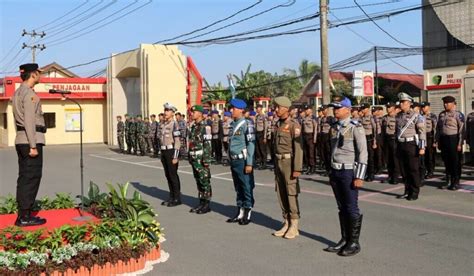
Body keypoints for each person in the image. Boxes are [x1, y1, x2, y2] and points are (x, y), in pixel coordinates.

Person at [324, 97, 367, 256]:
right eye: (334, 108)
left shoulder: (356, 127)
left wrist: (359, 176)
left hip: (349, 171)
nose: (335, 110)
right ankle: (344, 238)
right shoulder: (335, 127)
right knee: (341, 207)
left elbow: (363, 153)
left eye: (338, 108)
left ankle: (354, 242)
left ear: (348, 110)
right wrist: (331, 171)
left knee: (351, 207)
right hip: (336, 171)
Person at [12, 63, 47, 227]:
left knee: (24, 177)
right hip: (30, 141)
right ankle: (25, 216)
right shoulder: (30, 95)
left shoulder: (18, 92)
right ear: (33, 74)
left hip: (21, 139)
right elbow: (29, 120)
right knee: (32, 177)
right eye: (39, 73)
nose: (40, 76)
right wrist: (33, 145)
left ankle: (23, 213)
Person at [272, 96, 303, 240]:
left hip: (289, 163)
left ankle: (294, 225)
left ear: (286, 108)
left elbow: (298, 149)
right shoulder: (278, 124)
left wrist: (297, 168)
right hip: (278, 162)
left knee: (291, 193)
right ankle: (286, 221)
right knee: (281, 191)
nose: (276, 109)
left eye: (278, 107)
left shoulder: (293, 125)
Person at [226, 99, 256, 225]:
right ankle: (240, 212)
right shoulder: (233, 124)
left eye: (233, 108)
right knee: (238, 187)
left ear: (240, 110)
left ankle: (247, 212)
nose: (231, 110)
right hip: (234, 161)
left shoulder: (247, 124)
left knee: (246, 187)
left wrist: (249, 163)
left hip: (243, 161)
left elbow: (251, 144)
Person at [396, 93, 426, 200]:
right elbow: (397, 131)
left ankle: (414, 192)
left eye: (403, 102)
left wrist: (422, 147)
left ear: (409, 103)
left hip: (411, 144)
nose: (401, 104)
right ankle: (407, 190)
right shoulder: (398, 116)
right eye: (400, 102)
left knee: (413, 169)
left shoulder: (417, 116)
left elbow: (422, 132)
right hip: (401, 144)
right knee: (404, 170)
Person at [435, 96, 465, 190]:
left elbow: (461, 130)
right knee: (446, 161)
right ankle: (448, 181)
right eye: (444, 103)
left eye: (447, 103)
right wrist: (437, 141)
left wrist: (459, 143)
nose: (445, 104)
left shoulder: (458, 114)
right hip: (444, 139)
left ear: (453, 103)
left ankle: (455, 181)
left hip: (453, 139)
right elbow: (438, 129)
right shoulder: (441, 114)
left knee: (455, 162)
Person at [188, 105, 213, 214]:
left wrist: (206, 160)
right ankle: (201, 203)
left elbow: (207, 144)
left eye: (194, 112)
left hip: (201, 159)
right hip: (194, 158)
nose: (192, 114)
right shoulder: (194, 126)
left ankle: (206, 204)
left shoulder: (205, 127)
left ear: (200, 113)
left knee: (204, 181)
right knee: (198, 181)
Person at [159, 103, 182, 206]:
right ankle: (171, 196)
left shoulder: (174, 124)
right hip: (164, 152)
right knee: (167, 175)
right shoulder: (164, 124)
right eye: (165, 110)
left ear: (172, 113)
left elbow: (177, 141)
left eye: (168, 111)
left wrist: (176, 156)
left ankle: (177, 198)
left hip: (171, 152)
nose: (165, 112)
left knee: (173, 175)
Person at [382, 102, 400, 184]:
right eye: (387, 107)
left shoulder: (398, 117)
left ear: (394, 108)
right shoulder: (384, 118)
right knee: (388, 158)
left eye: (389, 107)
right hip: (386, 139)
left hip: (394, 139)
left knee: (395, 158)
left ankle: (395, 177)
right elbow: (382, 130)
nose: (388, 108)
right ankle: (390, 176)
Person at [360, 103, 377, 182]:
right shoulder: (361, 118)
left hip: (370, 139)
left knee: (370, 157)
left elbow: (375, 130)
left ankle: (371, 174)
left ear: (367, 109)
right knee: (363, 157)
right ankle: (365, 173)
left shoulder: (372, 118)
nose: (362, 110)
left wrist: (375, 142)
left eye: (364, 108)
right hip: (363, 139)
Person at [420, 102, 437, 179]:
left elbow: (435, 128)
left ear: (428, 107)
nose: (423, 108)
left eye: (424, 107)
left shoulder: (432, 116)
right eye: (422, 107)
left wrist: (435, 140)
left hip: (430, 136)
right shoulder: (420, 116)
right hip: (422, 137)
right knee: (423, 155)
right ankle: (424, 171)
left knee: (430, 155)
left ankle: (431, 171)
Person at [318, 105, 335, 176]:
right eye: (322, 110)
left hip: (328, 136)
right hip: (322, 136)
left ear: (327, 110)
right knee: (323, 153)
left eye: (324, 110)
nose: (323, 111)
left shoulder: (331, 118)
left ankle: (331, 170)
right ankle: (327, 169)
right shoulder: (322, 118)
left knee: (329, 154)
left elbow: (333, 128)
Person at [302, 104, 318, 175]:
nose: (305, 111)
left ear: (310, 110)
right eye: (305, 110)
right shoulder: (304, 118)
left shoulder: (313, 118)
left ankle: (312, 167)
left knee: (311, 153)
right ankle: (308, 166)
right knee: (306, 152)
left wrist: (314, 138)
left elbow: (315, 129)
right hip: (305, 136)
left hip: (311, 136)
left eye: (307, 110)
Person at [255, 104, 268, 170]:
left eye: (258, 108)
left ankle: (264, 163)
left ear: (261, 109)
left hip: (262, 134)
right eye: (256, 108)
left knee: (262, 149)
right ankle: (260, 162)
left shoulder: (264, 116)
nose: (257, 109)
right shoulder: (257, 116)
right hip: (257, 133)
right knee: (258, 149)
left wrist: (265, 137)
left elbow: (265, 127)